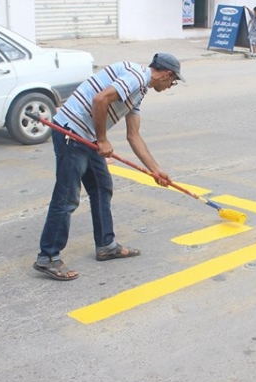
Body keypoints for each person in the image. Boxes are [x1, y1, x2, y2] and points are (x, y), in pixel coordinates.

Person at [33, 53, 184, 281]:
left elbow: (133, 136)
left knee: (102, 187)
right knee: (67, 198)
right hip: (72, 133)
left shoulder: (139, 91)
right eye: (173, 82)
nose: (171, 86)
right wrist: (102, 140)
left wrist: (155, 169)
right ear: (167, 74)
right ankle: (48, 257)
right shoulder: (136, 77)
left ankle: (106, 244)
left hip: (88, 136)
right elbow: (100, 100)